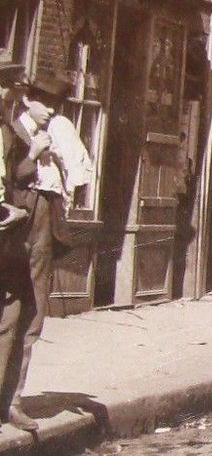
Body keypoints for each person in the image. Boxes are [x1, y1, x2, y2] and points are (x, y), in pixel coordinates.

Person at [0, 72, 77, 432]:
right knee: (9, 316)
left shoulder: (52, 135)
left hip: (42, 230)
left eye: (56, 105)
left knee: (33, 316)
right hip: (16, 233)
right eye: (45, 101)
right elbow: (9, 183)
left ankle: (13, 400)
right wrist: (32, 154)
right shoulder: (11, 132)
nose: (51, 110)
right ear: (28, 99)